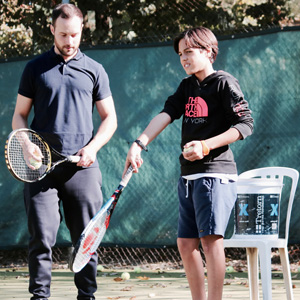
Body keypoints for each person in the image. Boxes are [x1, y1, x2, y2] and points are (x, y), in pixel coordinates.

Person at [123, 27, 253, 300]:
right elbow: (166, 114)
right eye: (181, 54)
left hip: (216, 175)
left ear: (208, 51)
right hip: (189, 177)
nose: (184, 58)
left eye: (189, 52)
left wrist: (206, 145)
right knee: (185, 244)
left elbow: (245, 125)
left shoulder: (224, 83)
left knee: (210, 240)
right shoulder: (187, 86)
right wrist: (139, 143)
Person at [12, 4, 117, 300]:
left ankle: (87, 296)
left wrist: (93, 148)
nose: (69, 41)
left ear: (82, 30)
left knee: (86, 241)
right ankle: (39, 297)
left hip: (82, 169)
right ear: (52, 31)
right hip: (40, 168)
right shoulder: (34, 68)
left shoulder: (95, 70)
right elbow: (19, 116)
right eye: (63, 34)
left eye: (74, 34)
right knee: (41, 238)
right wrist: (26, 143)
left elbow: (110, 118)